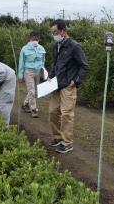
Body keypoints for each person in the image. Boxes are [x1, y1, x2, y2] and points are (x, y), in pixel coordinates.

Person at [48, 19, 89, 154]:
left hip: (68, 85)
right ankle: (57, 137)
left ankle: (67, 142)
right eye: (52, 33)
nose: (54, 35)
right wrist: (50, 76)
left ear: (63, 31)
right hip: (56, 84)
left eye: (55, 32)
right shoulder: (56, 45)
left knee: (66, 114)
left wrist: (76, 82)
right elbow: (55, 64)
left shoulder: (74, 46)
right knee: (53, 112)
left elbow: (84, 66)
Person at [17, 31, 46, 118]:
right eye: (34, 39)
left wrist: (43, 72)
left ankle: (25, 104)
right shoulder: (24, 49)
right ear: (30, 39)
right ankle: (33, 110)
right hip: (28, 72)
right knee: (32, 91)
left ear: (39, 39)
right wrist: (20, 76)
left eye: (37, 39)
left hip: (37, 72)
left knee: (35, 92)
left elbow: (43, 61)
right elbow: (21, 63)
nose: (35, 41)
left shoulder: (41, 48)